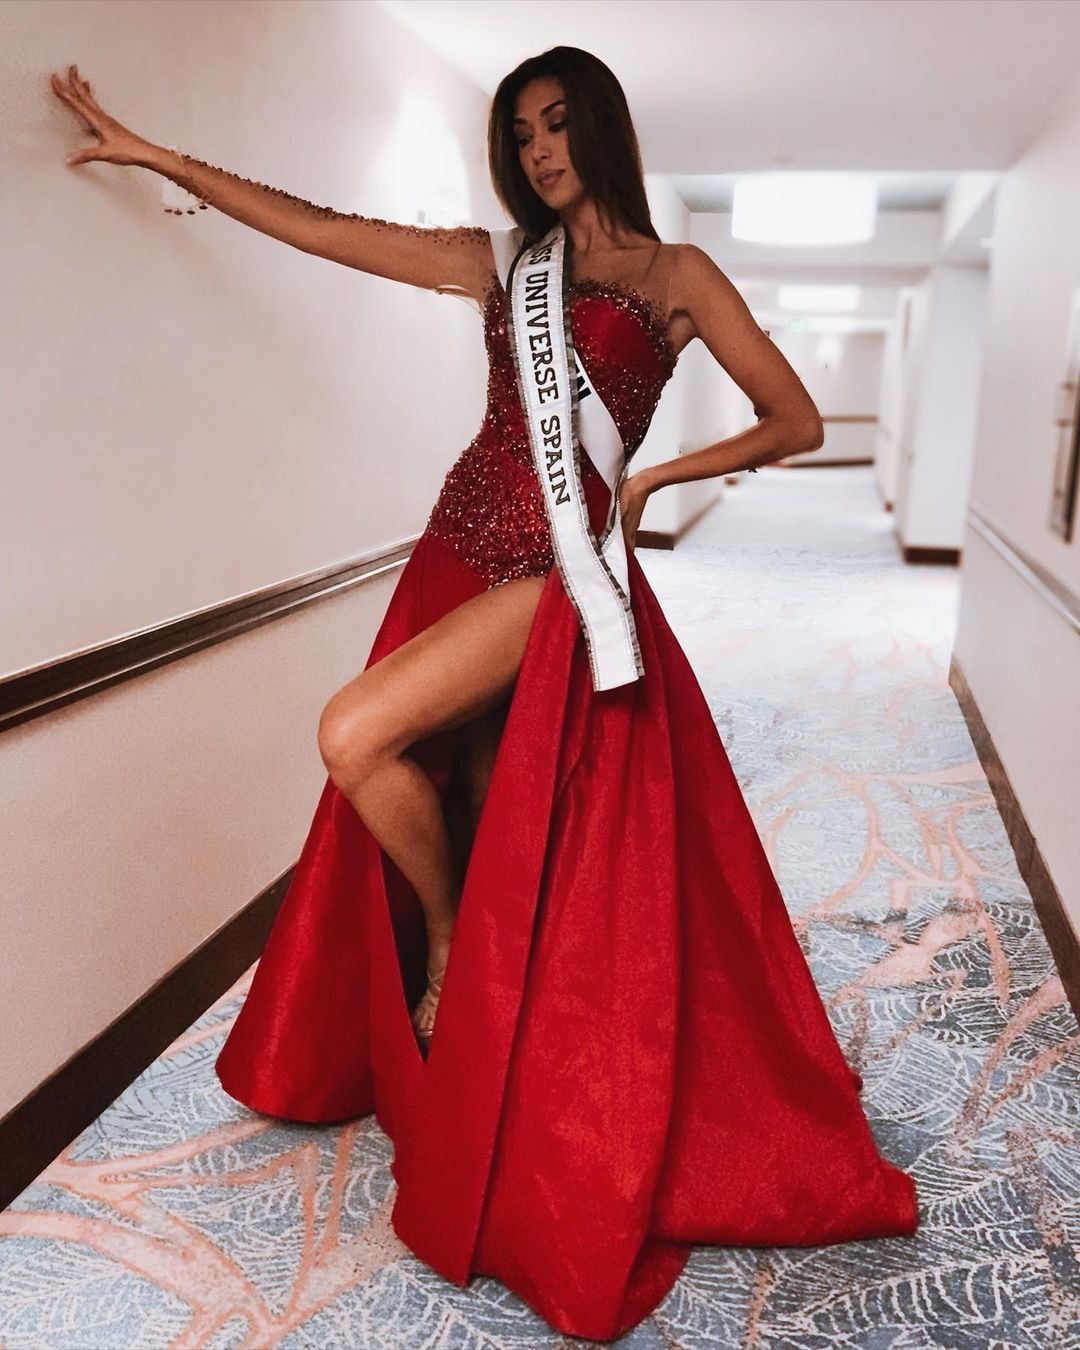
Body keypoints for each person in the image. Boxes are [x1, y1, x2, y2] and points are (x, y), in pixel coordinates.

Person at [52, 46, 919, 1342]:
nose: (540, 150)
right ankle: (466, 984)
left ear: (602, 129)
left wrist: (653, 481)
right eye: (521, 133)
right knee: (456, 779)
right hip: (454, 547)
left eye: (559, 124)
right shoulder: (502, 263)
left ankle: (456, 944)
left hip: (559, 573)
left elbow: (794, 420)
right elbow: (323, 231)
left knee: (354, 732)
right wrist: (163, 157)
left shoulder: (677, 276)